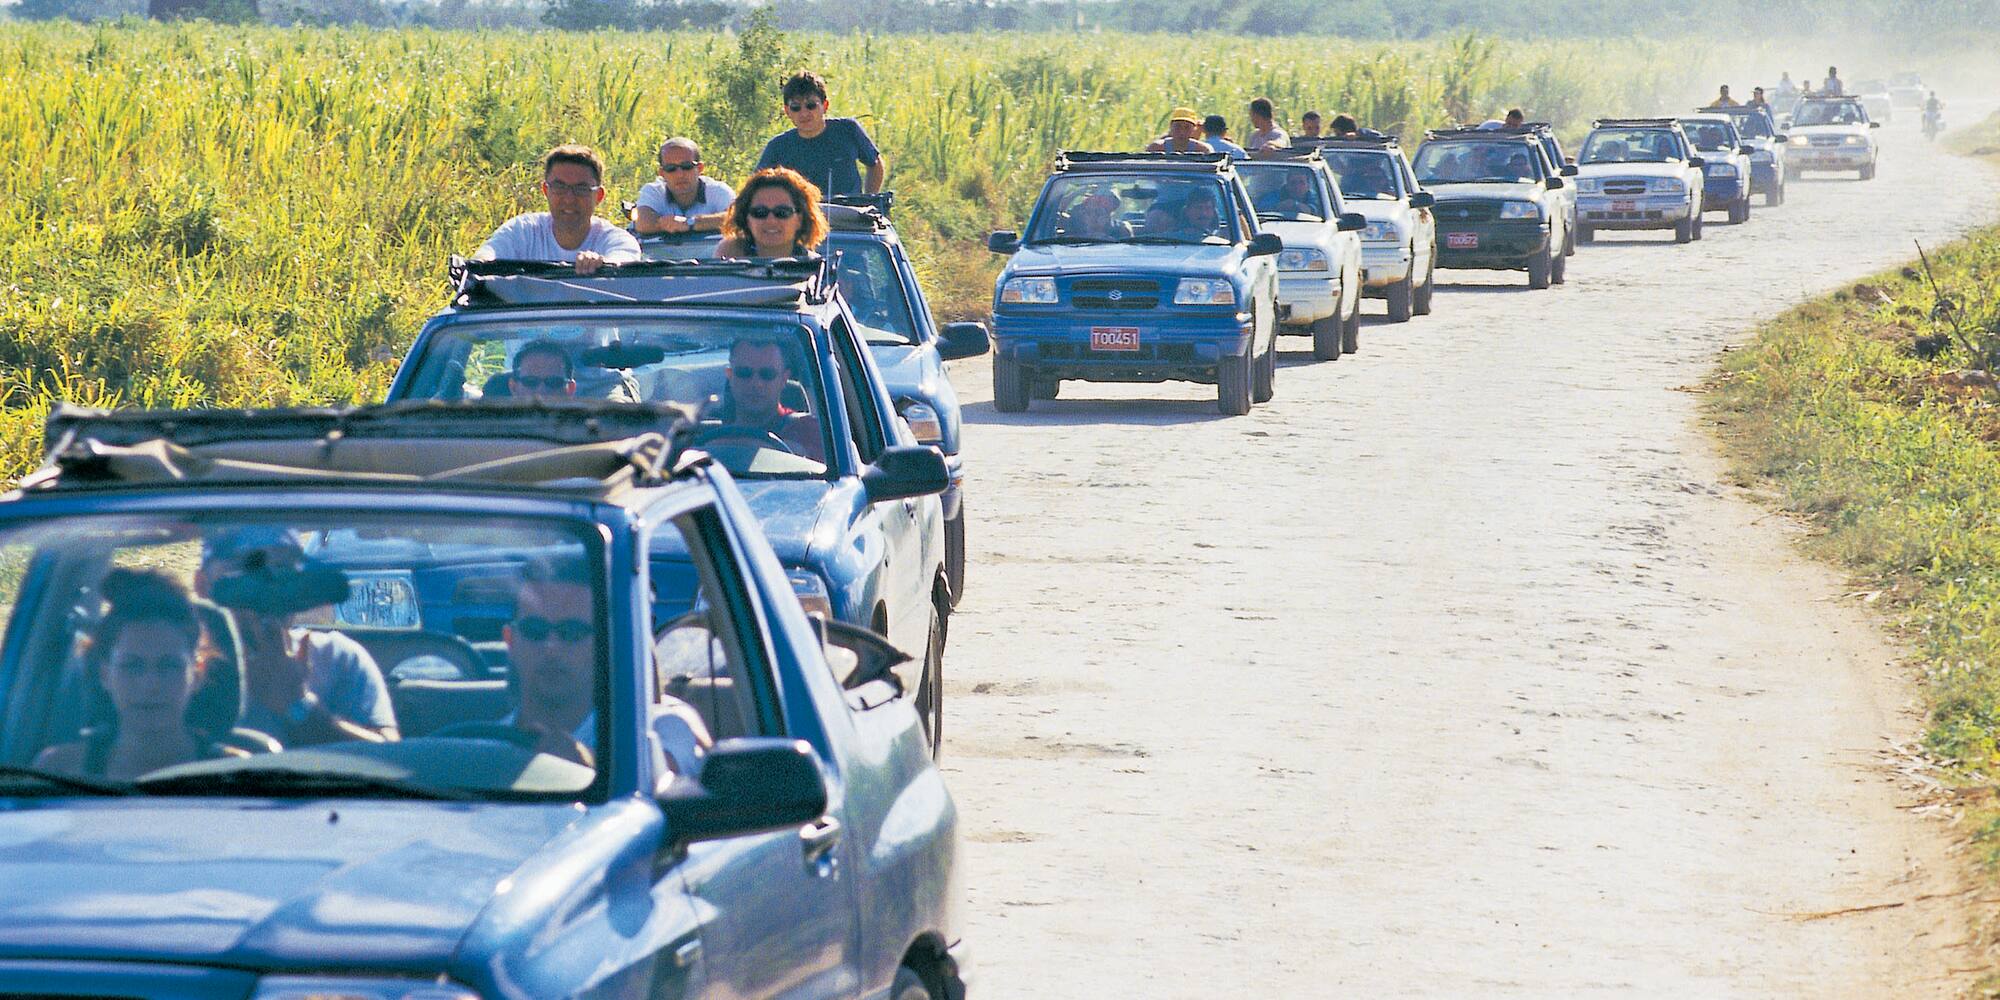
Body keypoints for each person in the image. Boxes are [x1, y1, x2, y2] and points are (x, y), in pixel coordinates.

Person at [35, 570, 256, 780]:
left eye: (169, 666)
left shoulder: (234, 775)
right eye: (132, 666)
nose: (150, 684)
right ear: (105, 676)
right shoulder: (60, 771)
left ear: (197, 675)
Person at [195, 528, 398, 747]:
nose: (268, 585)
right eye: (244, 567)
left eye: (283, 567)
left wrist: (297, 704)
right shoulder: (176, 666)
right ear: (203, 585)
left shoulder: (338, 658)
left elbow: (392, 758)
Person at [474, 145, 641, 276]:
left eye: (581, 189)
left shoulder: (615, 240)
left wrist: (602, 264)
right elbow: (483, 259)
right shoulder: (522, 232)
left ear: (598, 196)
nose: (569, 198)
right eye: (559, 187)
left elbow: (624, 260)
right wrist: (481, 263)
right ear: (546, 191)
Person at [498, 557, 598, 768]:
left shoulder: (629, 744)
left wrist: (590, 766)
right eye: (535, 630)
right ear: (510, 640)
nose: (551, 648)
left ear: (601, 645)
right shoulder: (485, 749)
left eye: (571, 632)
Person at [754, 71, 886, 197]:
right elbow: (755, 187)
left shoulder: (848, 129)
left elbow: (875, 164)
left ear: (825, 105)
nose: (804, 113)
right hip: (802, 216)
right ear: (787, 111)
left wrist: (869, 199)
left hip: (848, 214)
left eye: (811, 105)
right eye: (796, 107)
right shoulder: (778, 147)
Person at [706, 339, 826, 462]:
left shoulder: (809, 433)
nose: (756, 384)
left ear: (784, 379)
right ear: (730, 375)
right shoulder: (698, 439)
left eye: (767, 374)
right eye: (744, 373)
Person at [716, 168, 829, 260]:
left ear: (799, 220)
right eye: (760, 212)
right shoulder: (728, 262)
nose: (771, 221)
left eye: (782, 212)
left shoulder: (819, 275)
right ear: (747, 219)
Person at [633, 137, 734, 236]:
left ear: (700, 168)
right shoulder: (653, 192)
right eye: (671, 168)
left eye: (687, 167)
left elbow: (737, 219)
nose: (680, 174)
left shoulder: (718, 191)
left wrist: (689, 223)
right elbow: (642, 224)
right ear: (662, 173)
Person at [502, 340, 575, 400]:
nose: (542, 391)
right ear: (514, 387)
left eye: (553, 382)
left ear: (570, 388)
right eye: (530, 381)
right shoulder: (493, 417)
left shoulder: (584, 417)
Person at [1146, 107, 1213, 153]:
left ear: (1194, 129)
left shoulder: (1202, 150)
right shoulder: (1156, 148)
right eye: (1178, 127)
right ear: (1171, 126)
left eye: (1187, 127)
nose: (1182, 132)